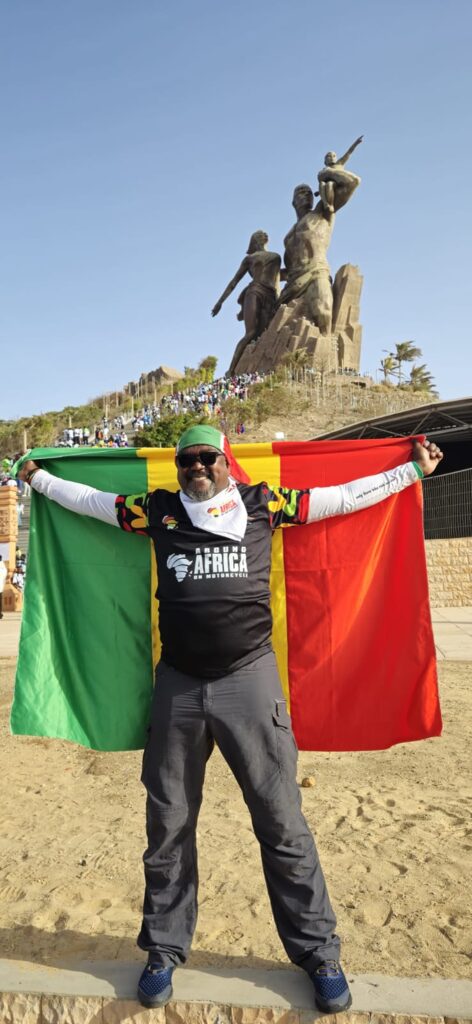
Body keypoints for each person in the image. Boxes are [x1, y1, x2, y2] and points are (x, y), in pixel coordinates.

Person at [18, 427, 443, 1014]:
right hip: (179, 685)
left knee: (282, 822)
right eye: (187, 459)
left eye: (207, 457)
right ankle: (163, 950)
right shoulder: (157, 510)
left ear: (226, 461)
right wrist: (39, 479)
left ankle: (320, 954)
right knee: (168, 824)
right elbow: (92, 502)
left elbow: (343, 497)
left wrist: (411, 472)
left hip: (250, 679)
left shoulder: (264, 502)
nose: (197, 466)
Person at [212, 231, 281, 375]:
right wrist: (220, 302)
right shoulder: (250, 259)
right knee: (251, 333)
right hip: (255, 292)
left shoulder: (276, 257)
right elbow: (234, 281)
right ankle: (231, 370)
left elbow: (278, 278)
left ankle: (260, 368)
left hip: (271, 295)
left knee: (264, 332)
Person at [316, 135, 363, 214]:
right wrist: (319, 192)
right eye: (328, 156)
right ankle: (325, 204)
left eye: (334, 156)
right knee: (322, 183)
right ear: (325, 161)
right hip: (326, 187)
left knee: (330, 184)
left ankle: (330, 204)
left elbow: (348, 153)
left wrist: (355, 143)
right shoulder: (323, 171)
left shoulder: (339, 164)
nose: (331, 157)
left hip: (338, 185)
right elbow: (322, 185)